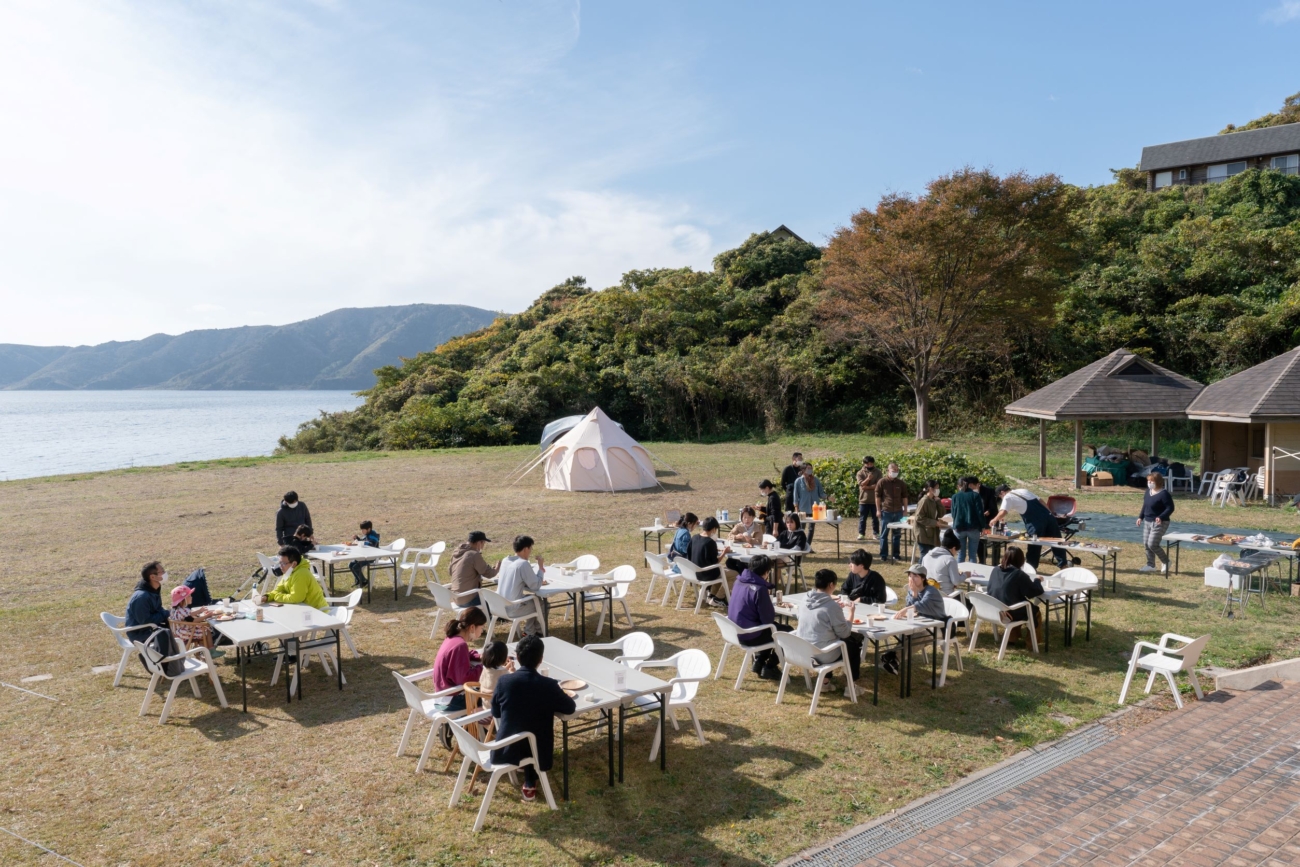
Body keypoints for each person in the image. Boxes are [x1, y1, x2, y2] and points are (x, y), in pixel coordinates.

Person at [490, 634, 577, 803]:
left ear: (518, 657)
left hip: (507, 745)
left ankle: (527, 777)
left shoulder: (504, 681)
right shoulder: (548, 685)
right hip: (537, 749)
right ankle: (531, 779)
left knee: (525, 728)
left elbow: (496, 712)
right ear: (541, 659)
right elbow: (570, 708)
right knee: (533, 733)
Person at [726, 554, 788, 680]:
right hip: (749, 635)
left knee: (773, 629)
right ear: (766, 572)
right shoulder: (759, 589)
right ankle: (770, 666)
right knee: (788, 632)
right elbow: (767, 619)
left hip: (733, 630)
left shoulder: (739, 581)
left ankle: (759, 662)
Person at [794, 569, 862, 681]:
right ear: (831, 585)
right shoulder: (831, 607)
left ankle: (825, 681)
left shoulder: (805, 598)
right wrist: (851, 613)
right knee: (853, 647)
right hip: (822, 654)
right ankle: (851, 687)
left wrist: (835, 610)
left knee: (827, 637)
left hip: (803, 649)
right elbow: (845, 633)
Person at [991, 486, 1068, 570]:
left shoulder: (1007, 496)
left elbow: (1003, 511)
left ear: (1002, 492)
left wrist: (994, 520)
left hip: (1035, 522)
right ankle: (1064, 565)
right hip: (1049, 518)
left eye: (1000, 497)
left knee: (1034, 546)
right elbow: (1041, 501)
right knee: (1057, 542)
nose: (1001, 498)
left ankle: (1031, 569)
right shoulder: (1023, 490)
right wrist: (1049, 513)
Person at [432, 608, 488, 712]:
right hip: (452, 700)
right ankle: (487, 727)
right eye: (481, 628)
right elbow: (464, 679)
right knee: (494, 697)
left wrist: (480, 656)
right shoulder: (460, 645)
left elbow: (462, 656)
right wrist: (484, 667)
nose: (481, 632)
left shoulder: (452, 638)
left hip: (442, 696)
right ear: (472, 627)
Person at [987, 546, 1043, 645]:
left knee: (1016, 603)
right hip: (1010, 611)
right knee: (1035, 612)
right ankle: (1032, 642)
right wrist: (1037, 580)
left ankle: (1012, 637)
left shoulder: (995, 570)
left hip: (995, 609)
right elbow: (1034, 592)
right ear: (1021, 560)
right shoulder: (1019, 574)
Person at [497, 535, 547, 635]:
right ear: (525, 549)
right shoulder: (523, 564)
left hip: (499, 606)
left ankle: (531, 631)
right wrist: (540, 567)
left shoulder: (506, 560)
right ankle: (534, 632)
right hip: (513, 609)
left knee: (534, 601)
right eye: (530, 548)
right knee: (541, 604)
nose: (531, 551)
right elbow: (535, 586)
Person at [260, 546, 328, 611]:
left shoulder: (301, 574)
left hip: (317, 612)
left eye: (283, 563)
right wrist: (267, 597)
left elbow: (296, 598)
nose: (280, 566)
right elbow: (279, 589)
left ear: (294, 564)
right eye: (280, 563)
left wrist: (276, 597)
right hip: (302, 610)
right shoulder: (288, 571)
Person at [1137, 472, 1175, 574]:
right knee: (1146, 544)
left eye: (1151, 481)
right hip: (1148, 521)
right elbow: (1145, 505)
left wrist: (1161, 517)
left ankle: (1166, 562)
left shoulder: (1164, 494)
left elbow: (1170, 508)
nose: (1149, 483)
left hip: (1160, 523)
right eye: (1148, 481)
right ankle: (1150, 565)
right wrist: (1140, 517)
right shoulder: (1148, 492)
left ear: (1158, 482)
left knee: (1152, 544)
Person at [450, 531, 500, 606]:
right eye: (483, 543)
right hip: (468, 598)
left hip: (456, 597)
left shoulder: (457, 552)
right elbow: (489, 574)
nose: (483, 546)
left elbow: (450, 571)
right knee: (495, 603)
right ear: (479, 543)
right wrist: (498, 567)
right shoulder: (474, 554)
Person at [125, 561, 172, 641]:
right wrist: (167, 613)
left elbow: (157, 609)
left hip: (152, 628)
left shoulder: (154, 590)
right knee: (179, 633)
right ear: (153, 577)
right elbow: (145, 620)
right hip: (141, 634)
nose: (165, 573)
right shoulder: (141, 597)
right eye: (162, 571)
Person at [688, 516, 727, 607]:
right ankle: (719, 598)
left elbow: (690, 553)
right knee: (732, 574)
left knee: (723, 571)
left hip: (693, 572)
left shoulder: (694, 538)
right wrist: (724, 552)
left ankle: (712, 594)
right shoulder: (710, 542)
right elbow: (716, 562)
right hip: (706, 575)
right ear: (713, 529)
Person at [949, 476, 987, 564]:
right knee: (972, 555)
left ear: (959, 486)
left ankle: (959, 573)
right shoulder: (975, 495)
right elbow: (980, 513)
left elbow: (953, 513)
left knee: (961, 554)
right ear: (969, 485)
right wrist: (983, 526)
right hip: (973, 528)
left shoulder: (955, 496)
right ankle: (972, 574)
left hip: (959, 527)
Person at [876, 462, 909, 563]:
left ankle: (896, 554)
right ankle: (884, 555)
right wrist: (878, 510)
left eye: (897, 471)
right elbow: (877, 497)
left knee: (897, 534)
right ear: (888, 471)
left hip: (898, 512)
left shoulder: (901, 483)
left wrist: (905, 510)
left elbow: (904, 497)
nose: (895, 472)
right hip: (886, 511)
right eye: (893, 471)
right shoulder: (882, 482)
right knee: (884, 535)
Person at [921, 530, 963, 595]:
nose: (956, 554)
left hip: (928, 593)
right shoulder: (950, 559)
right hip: (946, 595)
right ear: (953, 548)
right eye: (957, 551)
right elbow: (956, 582)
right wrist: (965, 575)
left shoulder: (926, 556)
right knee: (969, 603)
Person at [792, 463, 825, 544]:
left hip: (815, 509)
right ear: (803, 470)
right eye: (808, 468)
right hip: (803, 509)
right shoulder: (798, 481)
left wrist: (828, 497)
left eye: (811, 468)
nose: (810, 470)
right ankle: (800, 544)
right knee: (801, 528)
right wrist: (796, 509)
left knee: (811, 528)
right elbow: (795, 496)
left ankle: (808, 545)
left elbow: (821, 493)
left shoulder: (816, 480)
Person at [913, 479, 943, 558]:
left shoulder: (933, 500)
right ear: (930, 489)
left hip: (930, 533)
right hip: (923, 533)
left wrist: (938, 502)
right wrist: (934, 523)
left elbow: (941, 514)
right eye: (936, 488)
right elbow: (919, 517)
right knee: (925, 556)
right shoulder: (924, 500)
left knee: (931, 556)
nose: (938, 490)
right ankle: (919, 570)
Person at [972, 477, 998, 564]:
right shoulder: (970, 492)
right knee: (980, 542)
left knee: (995, 541)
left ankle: (995, 562)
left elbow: (993, 506)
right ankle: (982, 561)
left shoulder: (988, 491)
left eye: (974, 486)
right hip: (978, 520)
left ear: (978, 484)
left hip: (989, 519)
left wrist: (989, 511)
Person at [348, 520, 381, 588]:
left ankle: (364, 581)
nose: (362, 531)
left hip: (371, 557)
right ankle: (359, 580)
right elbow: (362, 542)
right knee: (351, 564)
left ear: (368, 529)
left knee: (356, 567)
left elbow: (372, 544)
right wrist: (357, 539)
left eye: (363, 530)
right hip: (364, 556)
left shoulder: (373, 535)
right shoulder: (366, 535)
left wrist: (362, 542)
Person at [855, 456, 881, 541]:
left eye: (871, 463)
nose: (870, 465)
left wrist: (867, 487)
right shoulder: (860, 473)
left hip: (875, 500)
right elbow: (861, 485)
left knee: (875, 518)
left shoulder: (878, 472)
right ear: (864, 464)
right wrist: (868, 479)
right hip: (863, 500)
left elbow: (878, 485)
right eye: (868, 464)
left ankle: (876, 534)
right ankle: (861, 534)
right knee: (863, 518)